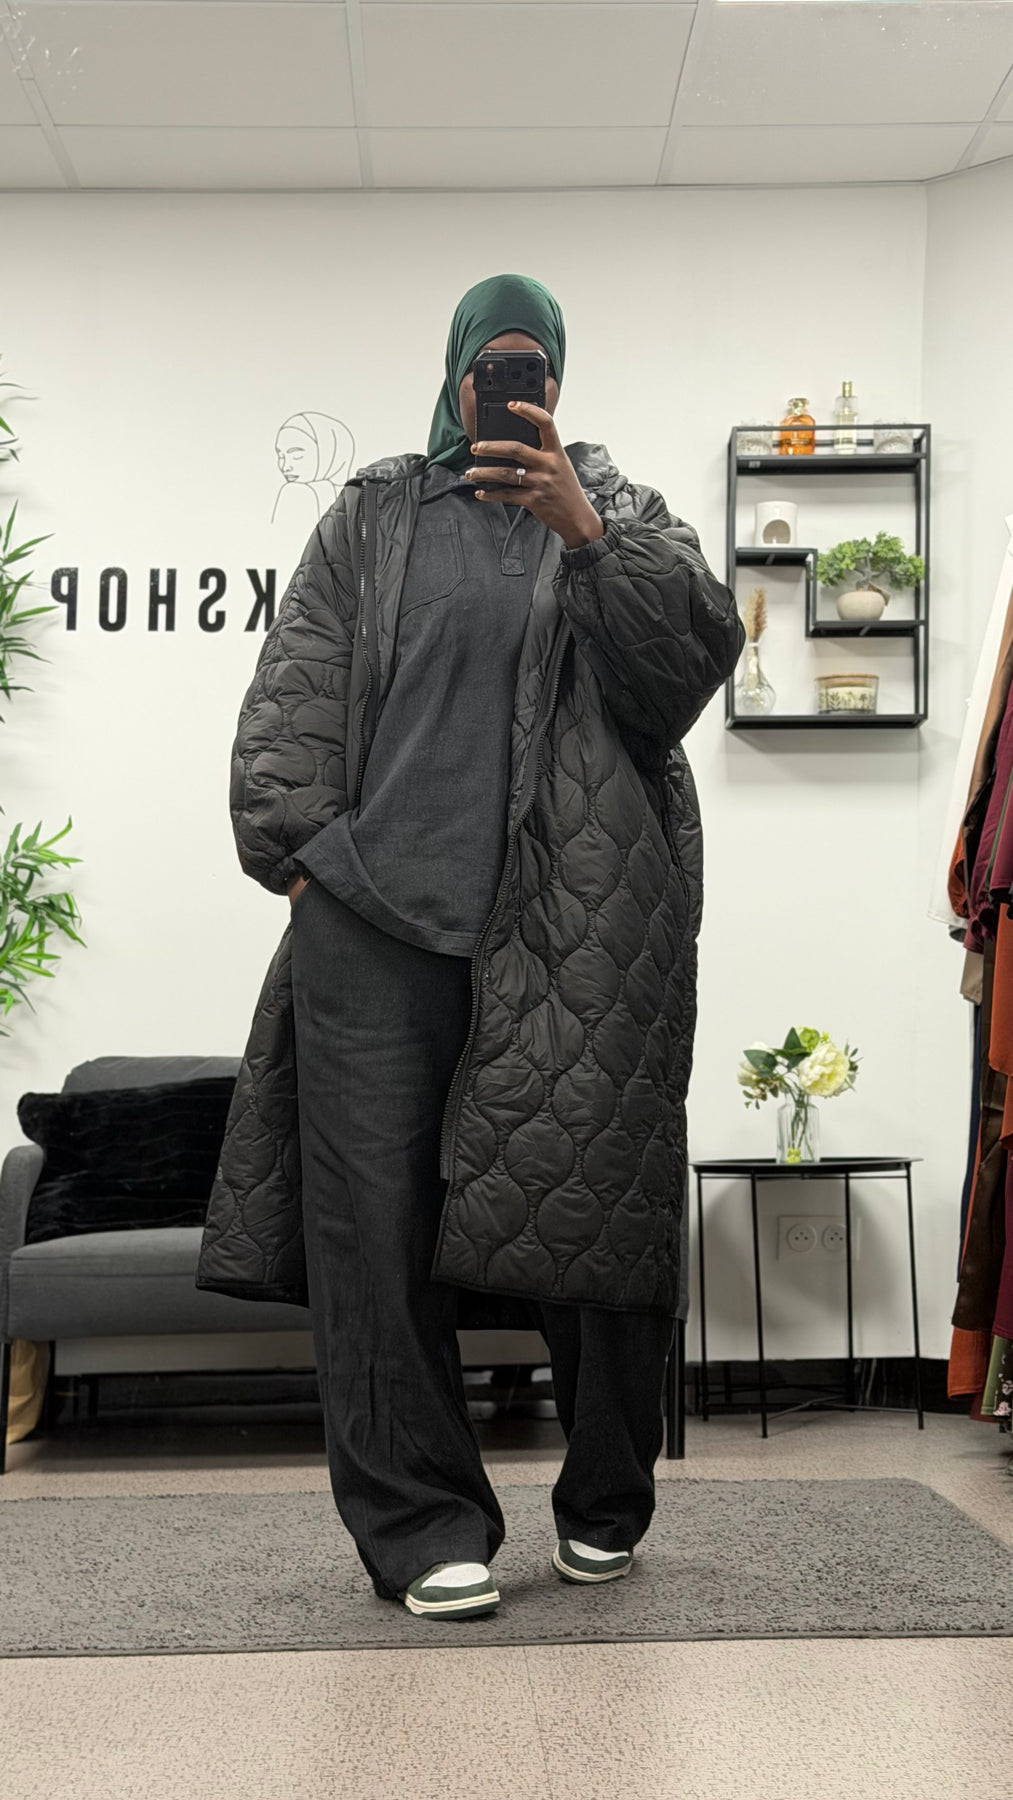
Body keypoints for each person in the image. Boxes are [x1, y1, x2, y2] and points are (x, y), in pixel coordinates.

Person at [198, 272, 745, 1622]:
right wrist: (308, 864)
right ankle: (422, 1525)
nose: (508, 389)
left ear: (556, 383)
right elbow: (292, 699)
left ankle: (605, 1500)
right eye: (488, 365)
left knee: (594, 1210)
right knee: (372, 1240)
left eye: (530, 368)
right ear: (452, 378)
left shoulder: (618, 506)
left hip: (573, 932)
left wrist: (585, 537)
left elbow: (683, 672)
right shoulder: (374, 513)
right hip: (374, 931)